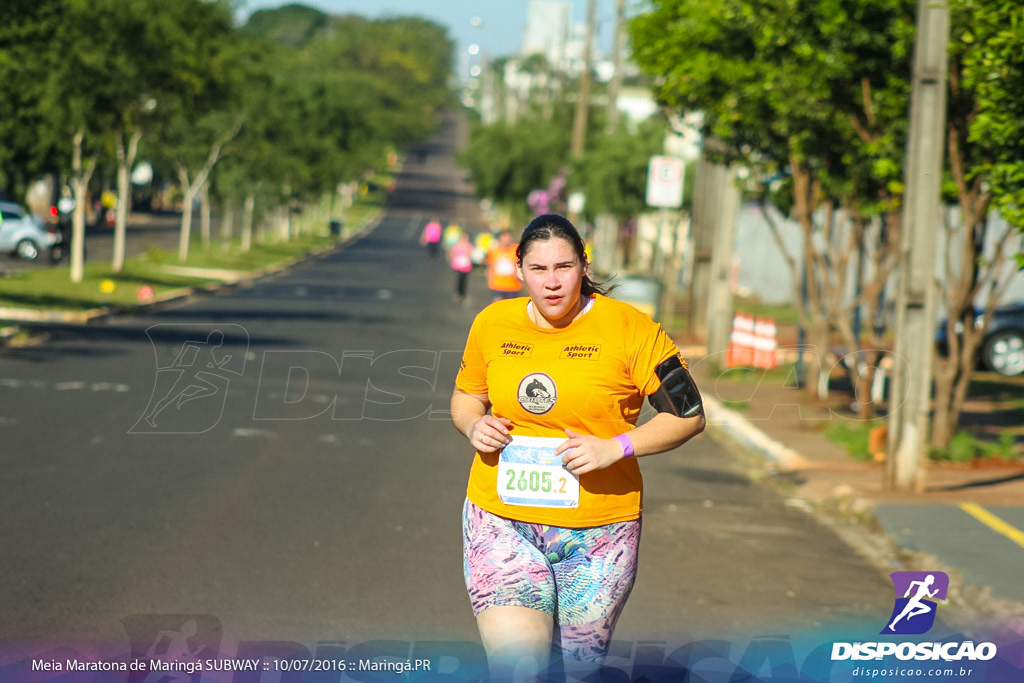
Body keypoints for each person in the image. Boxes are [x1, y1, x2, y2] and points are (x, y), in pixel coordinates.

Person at [450, 213, 706, 679]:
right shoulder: (493, 323)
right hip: (501, 521)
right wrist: (473, 425)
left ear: (584, 266)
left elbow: (687, 415)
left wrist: (617, 447)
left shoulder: (631, 329)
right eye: (539, 269)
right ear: (520, 268)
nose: (551, 282)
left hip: (598, 535)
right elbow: (468, 395)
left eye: (564, 267)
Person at [486, 231, 521, 301]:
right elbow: (490, 265)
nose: (506, 242)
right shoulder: (494, 250)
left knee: (511, 308)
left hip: (513, 285)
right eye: (504, 240)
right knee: (498, 306)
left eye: (508, 240)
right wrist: (489, 278)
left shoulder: (516, 250)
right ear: (500, 240)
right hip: (497, 284)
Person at [448, 231, 475, 303]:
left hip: (466, 265)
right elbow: (452, 253)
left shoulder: (469, 245)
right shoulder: (457, 245)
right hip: (458, 265)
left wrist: (467, 252)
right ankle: (458, 293)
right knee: (459, 279)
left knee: (464, 280)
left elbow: (471, 254)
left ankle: (464, 294)